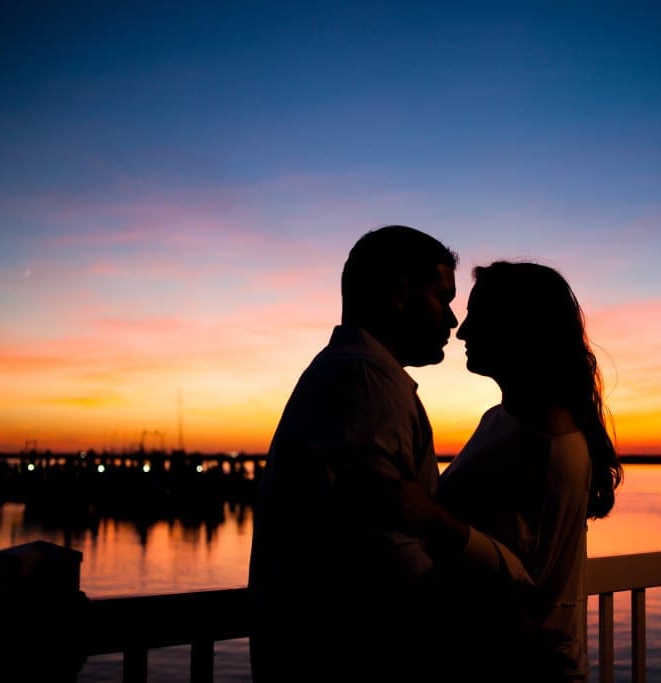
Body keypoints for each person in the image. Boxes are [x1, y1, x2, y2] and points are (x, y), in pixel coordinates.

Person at [246, 226, 534, 682]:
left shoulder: (353, 377)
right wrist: (489, 633)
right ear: (401, 292)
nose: (453, 321)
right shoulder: (366, 385)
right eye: (443, 297)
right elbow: (386, 551)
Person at [399, 260, 623, 681]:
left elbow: (524, 583)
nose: (462, 332)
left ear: (519, 327)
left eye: (477, 317)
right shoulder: (502, 419)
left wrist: (428, 517)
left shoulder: (548, 446)